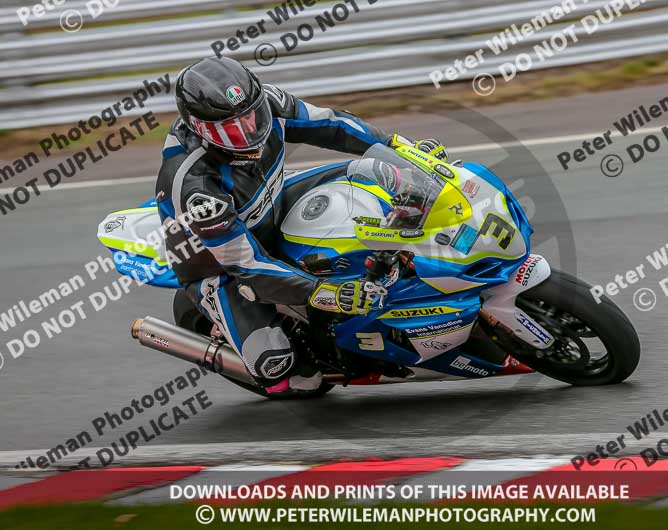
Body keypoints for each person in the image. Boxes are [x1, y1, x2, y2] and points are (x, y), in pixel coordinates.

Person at [155, 57, 448, 395]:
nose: (249, 131)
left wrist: (401, 149)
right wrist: (326, 294)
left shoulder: (268, 103)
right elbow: (247, 265)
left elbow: (333, 124)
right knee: (284, 374)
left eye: (251, 117)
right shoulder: (196, 187)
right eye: (230, 129)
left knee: (373, 172)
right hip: (220, 265)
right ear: (200, 129)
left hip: (273, 200)